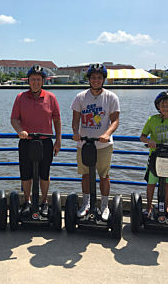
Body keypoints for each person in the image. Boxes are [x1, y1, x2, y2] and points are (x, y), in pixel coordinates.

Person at [11, 64, 61, 217]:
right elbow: (14, 119)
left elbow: (57, 120)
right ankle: (27, 201)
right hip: (27, 141)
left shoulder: (51, 98)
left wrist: (58, 140)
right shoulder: (20, 97)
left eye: (38, 80)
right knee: (26, 174)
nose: (35, 82)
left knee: (44, 174)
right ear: (28, 81)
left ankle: (44, 201)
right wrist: (20, 131)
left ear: (43, 81)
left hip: (45, 141)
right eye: (33, 79)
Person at [71, 63, 120, 221]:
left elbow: (115, 121)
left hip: (104, 145)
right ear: (89, 79)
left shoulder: (111, 97)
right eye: (93, 78)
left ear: (103, 79)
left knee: (104, 176)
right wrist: (75, 133)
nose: (96, 80)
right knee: (85, 175)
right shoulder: (80, 97)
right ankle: (86, 204)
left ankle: (104, 206)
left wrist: (107, 134)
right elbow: (75, 120)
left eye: (99, 78)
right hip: (84, 144)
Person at [140, 91, 168, 220]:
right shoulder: (152, 120)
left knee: (167, 183)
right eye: (163, 105)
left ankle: (165, 207)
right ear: (158, 106)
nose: (166, 107)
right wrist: (149, 141)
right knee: (151, 183)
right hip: (155, 156)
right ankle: (148, 207)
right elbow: (142, 137)